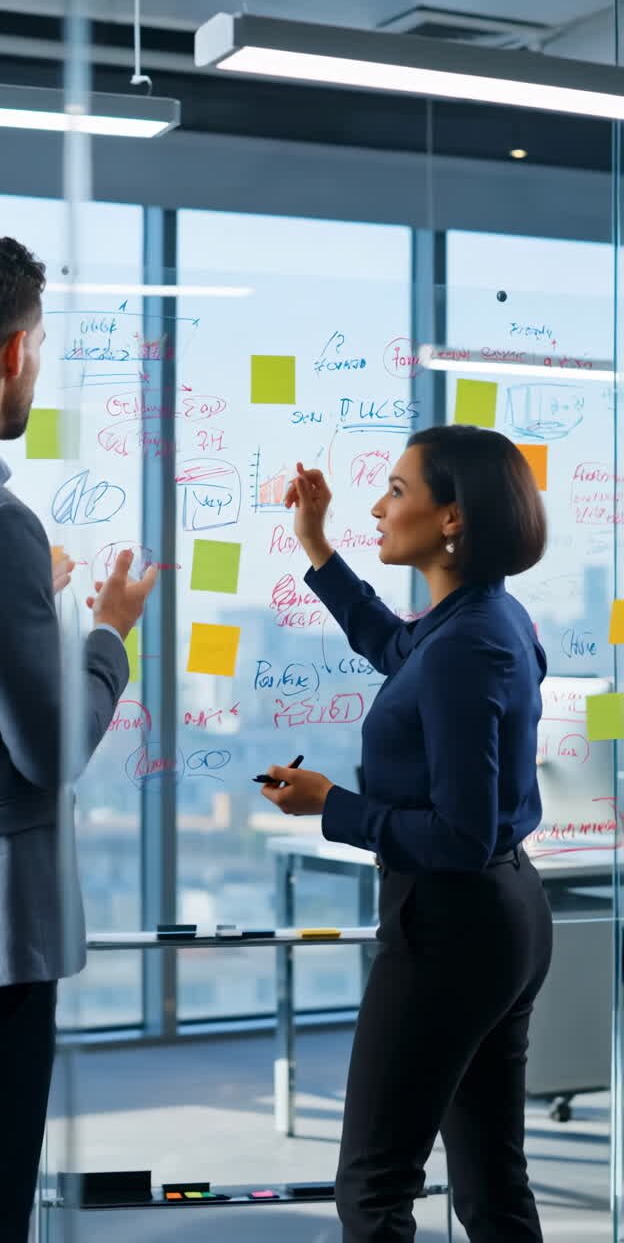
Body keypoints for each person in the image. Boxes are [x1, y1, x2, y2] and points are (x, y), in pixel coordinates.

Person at [0, 235, 156, 1242]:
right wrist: (107, 636)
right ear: (16, 353)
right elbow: (49, 749)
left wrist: (24, 604)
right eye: (42, 345)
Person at [261, 426, 553, 1242]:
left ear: (452, 517)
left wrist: (336, 807)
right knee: (493, 1187)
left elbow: (459, 836)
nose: (378, 507)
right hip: (500, 916)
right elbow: (393, 644)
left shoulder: (467, 645)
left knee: (374, 1188)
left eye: (396, 490)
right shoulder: (480, 617)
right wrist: (317, 548)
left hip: (453, 924)